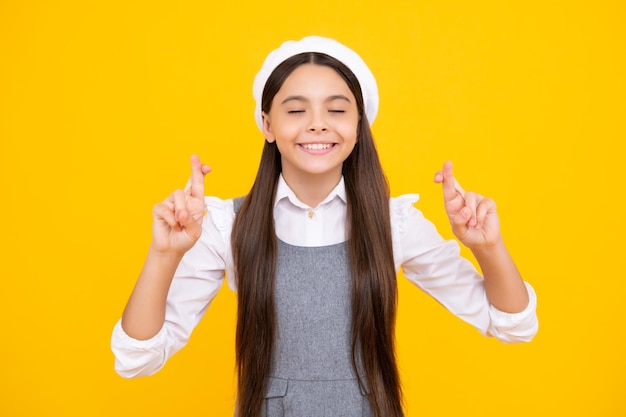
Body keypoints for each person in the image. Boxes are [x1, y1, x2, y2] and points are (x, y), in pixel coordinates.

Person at [111, 36, 538, 417]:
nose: (317, 123)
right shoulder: (228, 225)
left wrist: (488, 247)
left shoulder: (395, 223)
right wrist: (164, 254)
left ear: (358, 126)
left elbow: (512, 324)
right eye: (296, 109)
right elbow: (137, 358)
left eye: (336, 109)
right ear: (267, 125)